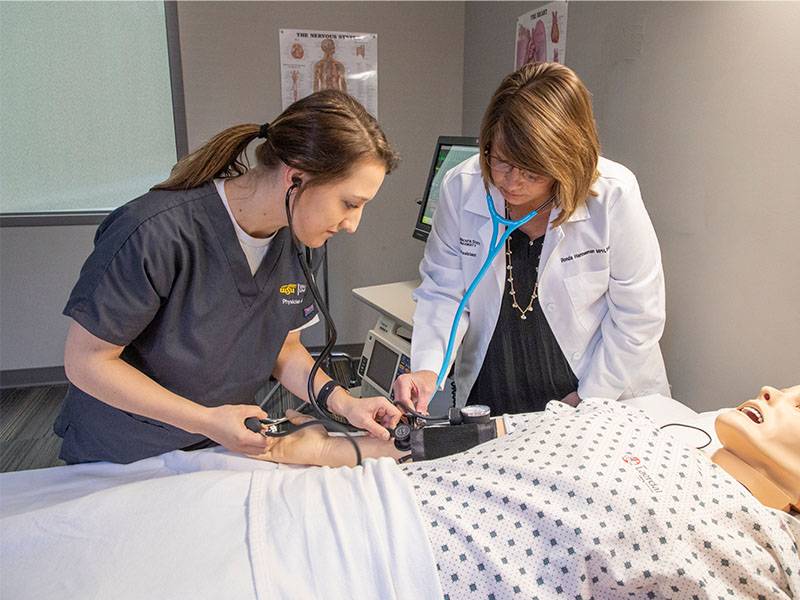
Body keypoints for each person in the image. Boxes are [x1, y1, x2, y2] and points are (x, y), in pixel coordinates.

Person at [54, 90, 403, 464]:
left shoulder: (299, 241)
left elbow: (282, 349)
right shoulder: (155, 232)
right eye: (349, 204)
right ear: (295, 178)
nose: (353, 225)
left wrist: (344, 403)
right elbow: (87, 362)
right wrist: (206, 420)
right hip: (124, 451)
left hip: (219, 446)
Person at [249, 384, 800, 597]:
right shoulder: (627, 420)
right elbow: (473, 436)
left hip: (395, 578)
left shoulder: (760, 558)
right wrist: (333, 450)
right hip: (352, 506)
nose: (774, 389)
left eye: (799, 405)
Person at [393, 62, 670, 415]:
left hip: (598, 387)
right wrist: (427, 370)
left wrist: (589, 397)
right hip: (496, 386)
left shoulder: (613, 195)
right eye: (503, 162)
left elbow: (638, 316)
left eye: (532, 170)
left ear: (566, 161)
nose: (512, 182)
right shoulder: (462, 188)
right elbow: (444, 291)